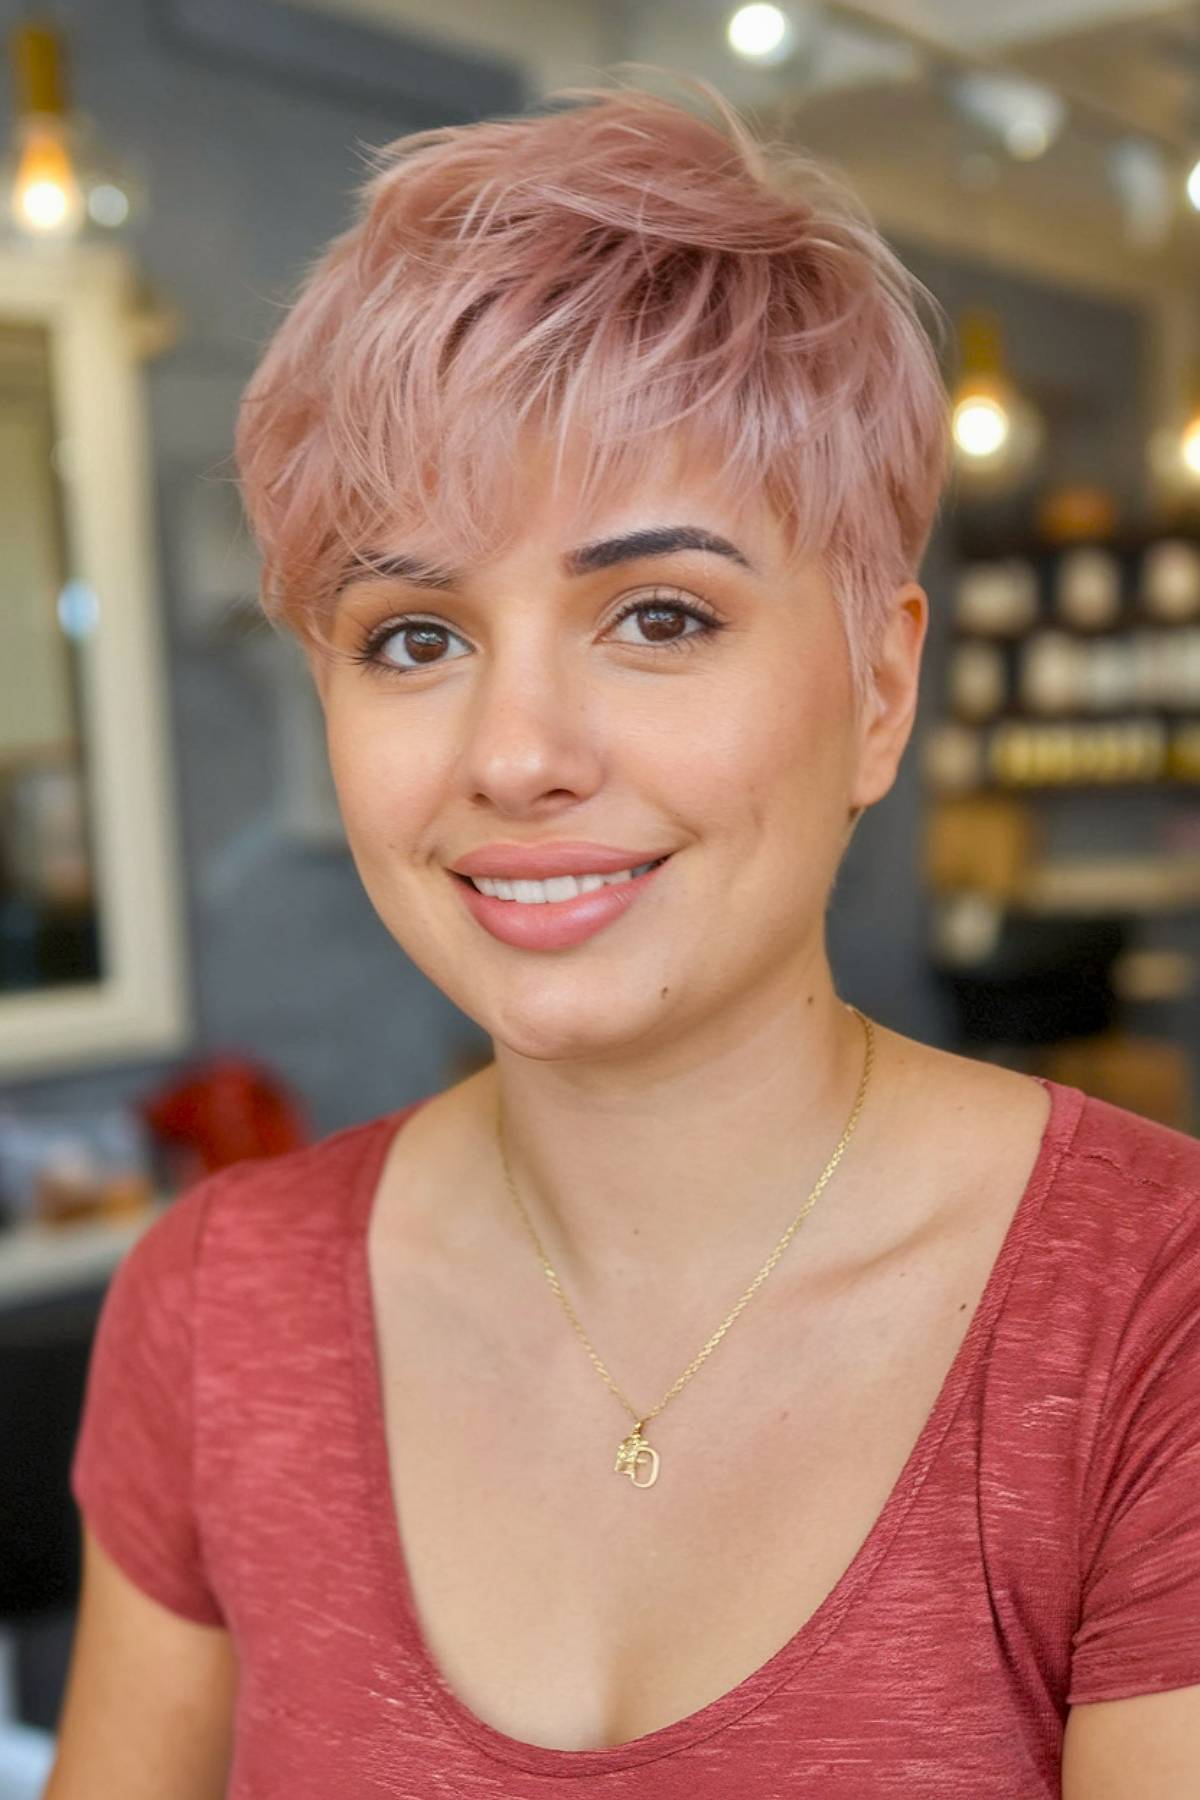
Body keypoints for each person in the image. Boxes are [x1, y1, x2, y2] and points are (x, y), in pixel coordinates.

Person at [48, 67, 1200, 1800]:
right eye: (414, 637)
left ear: (881, 689)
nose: (516, 755)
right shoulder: (219, 1312)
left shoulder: (1143, 1322)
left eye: (657, 614)